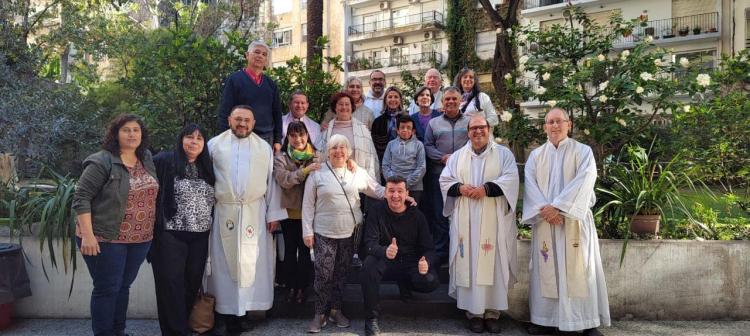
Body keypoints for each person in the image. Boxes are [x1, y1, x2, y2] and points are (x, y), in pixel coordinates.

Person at [522, 108, 610, 336]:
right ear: (544, 127)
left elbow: (585, 180)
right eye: (550, 122)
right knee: (546, 270)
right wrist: (547, 210)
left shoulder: (583, 152)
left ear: (569, 124)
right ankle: (544, 319)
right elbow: (530, 186)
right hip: (545, 222)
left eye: (559, 121)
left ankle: (586, 321)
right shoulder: (536, 155)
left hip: (573, 222)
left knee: (581, 269)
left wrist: (559, 207)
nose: (554, 126)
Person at [302, 135, 401, 333]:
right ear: (327, 151)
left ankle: (336, 310)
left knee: (342, 274)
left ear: (348, 152)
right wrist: (307, 231)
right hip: (324, 231)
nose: (338, 151)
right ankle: (319, 313)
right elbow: (307, 204)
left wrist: (398, 196)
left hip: (350, 232)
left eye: (342, 147)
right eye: (334, 148)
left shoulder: (357, 172)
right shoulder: (317, 173)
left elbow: (378, 190)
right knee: (323, 274)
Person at [72, 114, 158, 336]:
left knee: (123, 287)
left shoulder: (145, 157)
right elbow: (81, 198)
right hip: (105, 237)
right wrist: (89, 236)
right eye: (126, 130)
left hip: (140, 239)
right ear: (116, 134)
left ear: (142, 134)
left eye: (136, 130)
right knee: (107, 289)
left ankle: (118, 331)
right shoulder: (102, 161)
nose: (132, 134)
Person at [205, 105, 287, 335]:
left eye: (247, 120)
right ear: (230, 120)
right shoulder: (214, 145)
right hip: (225, 212)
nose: (242, 123)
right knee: (223, 266)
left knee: (251, 263)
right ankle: (224, 313)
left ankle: (245, 313)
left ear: (253, 122)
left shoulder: (263, 148)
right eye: (238, 119)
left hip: (255, 212)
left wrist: (273, 215)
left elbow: (272, 183)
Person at [439, 115, 519, 334]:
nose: (478, 131)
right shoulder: (457, 157)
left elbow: (511, 179)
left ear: (489, 128)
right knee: (469, 262)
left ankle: (493, 313)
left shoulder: (503, 155)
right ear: (468, 132)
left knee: (493, 262)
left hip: (493, 219)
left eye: (481, 127)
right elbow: (445, 180)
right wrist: (461, 188)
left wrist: (486, 189)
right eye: (473, 128)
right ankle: (473, 313)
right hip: (465, 219)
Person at [150, 124, 216, 336]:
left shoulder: (207, 167)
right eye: (189, 137)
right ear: (181, 140)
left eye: (199, 138)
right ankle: (174, 331)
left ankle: (182, 325)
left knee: (192, 283)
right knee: (170, 285)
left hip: (199, 236)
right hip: (170, 234)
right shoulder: (165, 161)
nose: (194, 141)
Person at [360, 176, 440, 336]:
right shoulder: (376, 211)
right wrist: (384, 251)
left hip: (410, 262)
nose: (395, 195)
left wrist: (426, 263)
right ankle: (371, 319)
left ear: (407, 194)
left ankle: (406, 284)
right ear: (385, 193)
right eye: (391, 191)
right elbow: (369, 242)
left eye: (400, 191)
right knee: (369, 265)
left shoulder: (418, 216)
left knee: (430, 282)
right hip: (385, 260)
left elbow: (429, 249)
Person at [273, 121, 321, 305]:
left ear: (307, 135)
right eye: (293, 135)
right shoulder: (282, 157)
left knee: (306, 251)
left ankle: (303, 287)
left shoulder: (317, 156)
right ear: (288, 138)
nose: (298, 139)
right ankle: (290, 287)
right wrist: (304, 171)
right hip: (290, 213)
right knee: (290, 252)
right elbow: (284, 179)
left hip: (311, 213)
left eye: (301, 135)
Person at [423, 87, 469, 261]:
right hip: (439, 174)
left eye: (454, 99)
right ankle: (442, 251)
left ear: (460, 101)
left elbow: (475, 144)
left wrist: (458, 158)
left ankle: (462, 249)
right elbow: (427, 146)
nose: (450, 102)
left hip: (463, 175)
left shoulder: (468, 122)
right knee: (440, 212)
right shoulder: (433, 123)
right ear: (442, 102)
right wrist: (443, 157)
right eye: (447, 99)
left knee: (462, 211)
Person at [217, 41, 283, 151]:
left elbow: (277, 113)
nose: (260, 56)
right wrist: (224, 137)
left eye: (264, 54)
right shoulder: (234, 80)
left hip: (266, 138)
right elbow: (225, 111)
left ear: (266, 60)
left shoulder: (271, 84)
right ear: (247, 55)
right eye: (256, 52)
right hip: (240, 135)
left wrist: (277, 140)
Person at [317, 92, 379, 181]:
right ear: (335, 107)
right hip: (332, 181)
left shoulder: (362, 129)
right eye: (340, 104)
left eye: (347, 104)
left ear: (352, 107)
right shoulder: (326, 130)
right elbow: (320, 156)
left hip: (358, 181)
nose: (344, 107)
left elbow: (371, 157)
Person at [381, 115, 426, 203]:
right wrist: (395, 183)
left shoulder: (419, 145)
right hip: (394, 187)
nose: (405, 130)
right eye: (402, 127)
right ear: (397, 130)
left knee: (412, 213)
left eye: (408, 128)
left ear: (413, 131)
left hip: (414, 187)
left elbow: (421, 167)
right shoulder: (391, 144)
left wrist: (406, 184)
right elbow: (385, 165)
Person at [371, 86, 407, 164]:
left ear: (400, 100)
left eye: (396, 97)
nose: (393, 99)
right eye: (390, 97)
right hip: (384, 162)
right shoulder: (377, 122)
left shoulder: (407, 119)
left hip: (405, 162)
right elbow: (375, 147)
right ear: (385, 100)